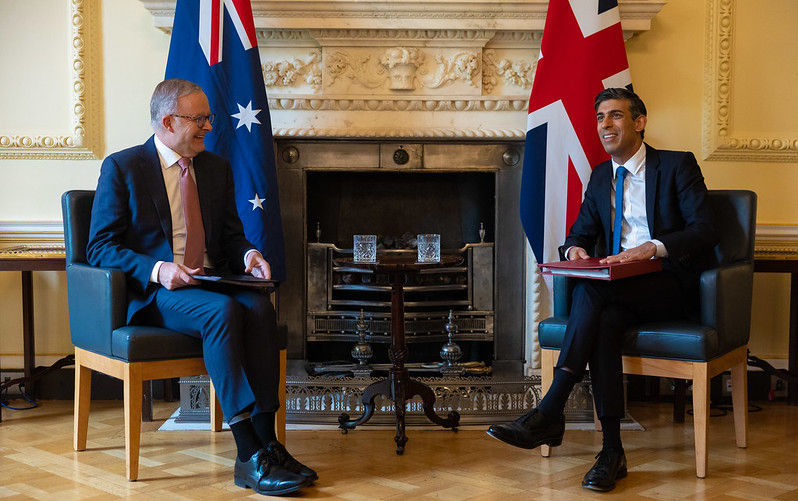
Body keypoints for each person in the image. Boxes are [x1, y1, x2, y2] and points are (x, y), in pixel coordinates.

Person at [86, 78, 316, 496]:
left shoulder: (215, 168)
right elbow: (99, 247)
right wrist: (159, 269)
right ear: (169, 121)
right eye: (201, 119)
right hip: (159, 293)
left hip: (214, 279)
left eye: (209, 117)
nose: (209, 126)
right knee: (223, 313)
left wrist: (249, 255)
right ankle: (247, 452)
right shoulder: (123, 167)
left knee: (260, 308)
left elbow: (231, 236)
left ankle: (269, 442)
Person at [487, 88, 718, 492]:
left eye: (615, 116)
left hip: (667, 282)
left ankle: (550, 410)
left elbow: (704, 230)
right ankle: (611, 451)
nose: (605, 126)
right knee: (604, 318)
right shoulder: (599, 175)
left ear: (639, 122)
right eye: (599, 118)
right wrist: (574, 249)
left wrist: (651, 247)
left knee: (592, 296)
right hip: (618, 290)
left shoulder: (678, 166)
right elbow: (580, 233)